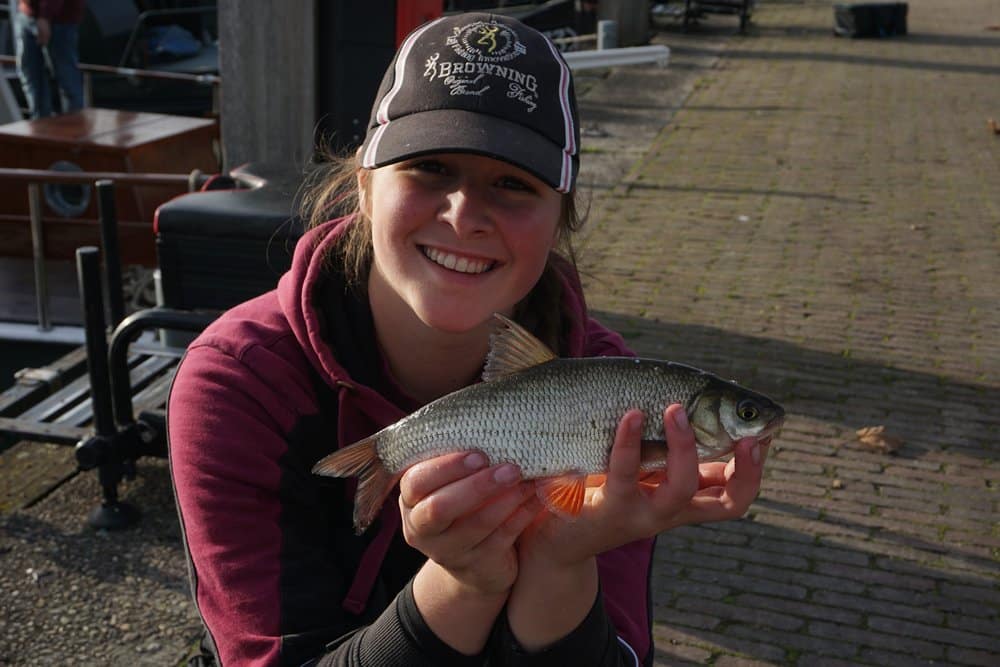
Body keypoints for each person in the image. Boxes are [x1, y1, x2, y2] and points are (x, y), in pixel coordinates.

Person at [168, 12, 767, 667]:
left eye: (512, 183)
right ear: (365, 188)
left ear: (559, 219)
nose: (464, 214)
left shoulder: (614, 387)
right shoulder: (240, 382)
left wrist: (559, 559)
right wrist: (462, 584)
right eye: (428, 167)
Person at [12, 0, 85, 119]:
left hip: (59, 20)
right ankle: (39, 128)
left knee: (66, 79)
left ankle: (74, 130)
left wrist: (45, 15)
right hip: (26, 15)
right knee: (32, 78)